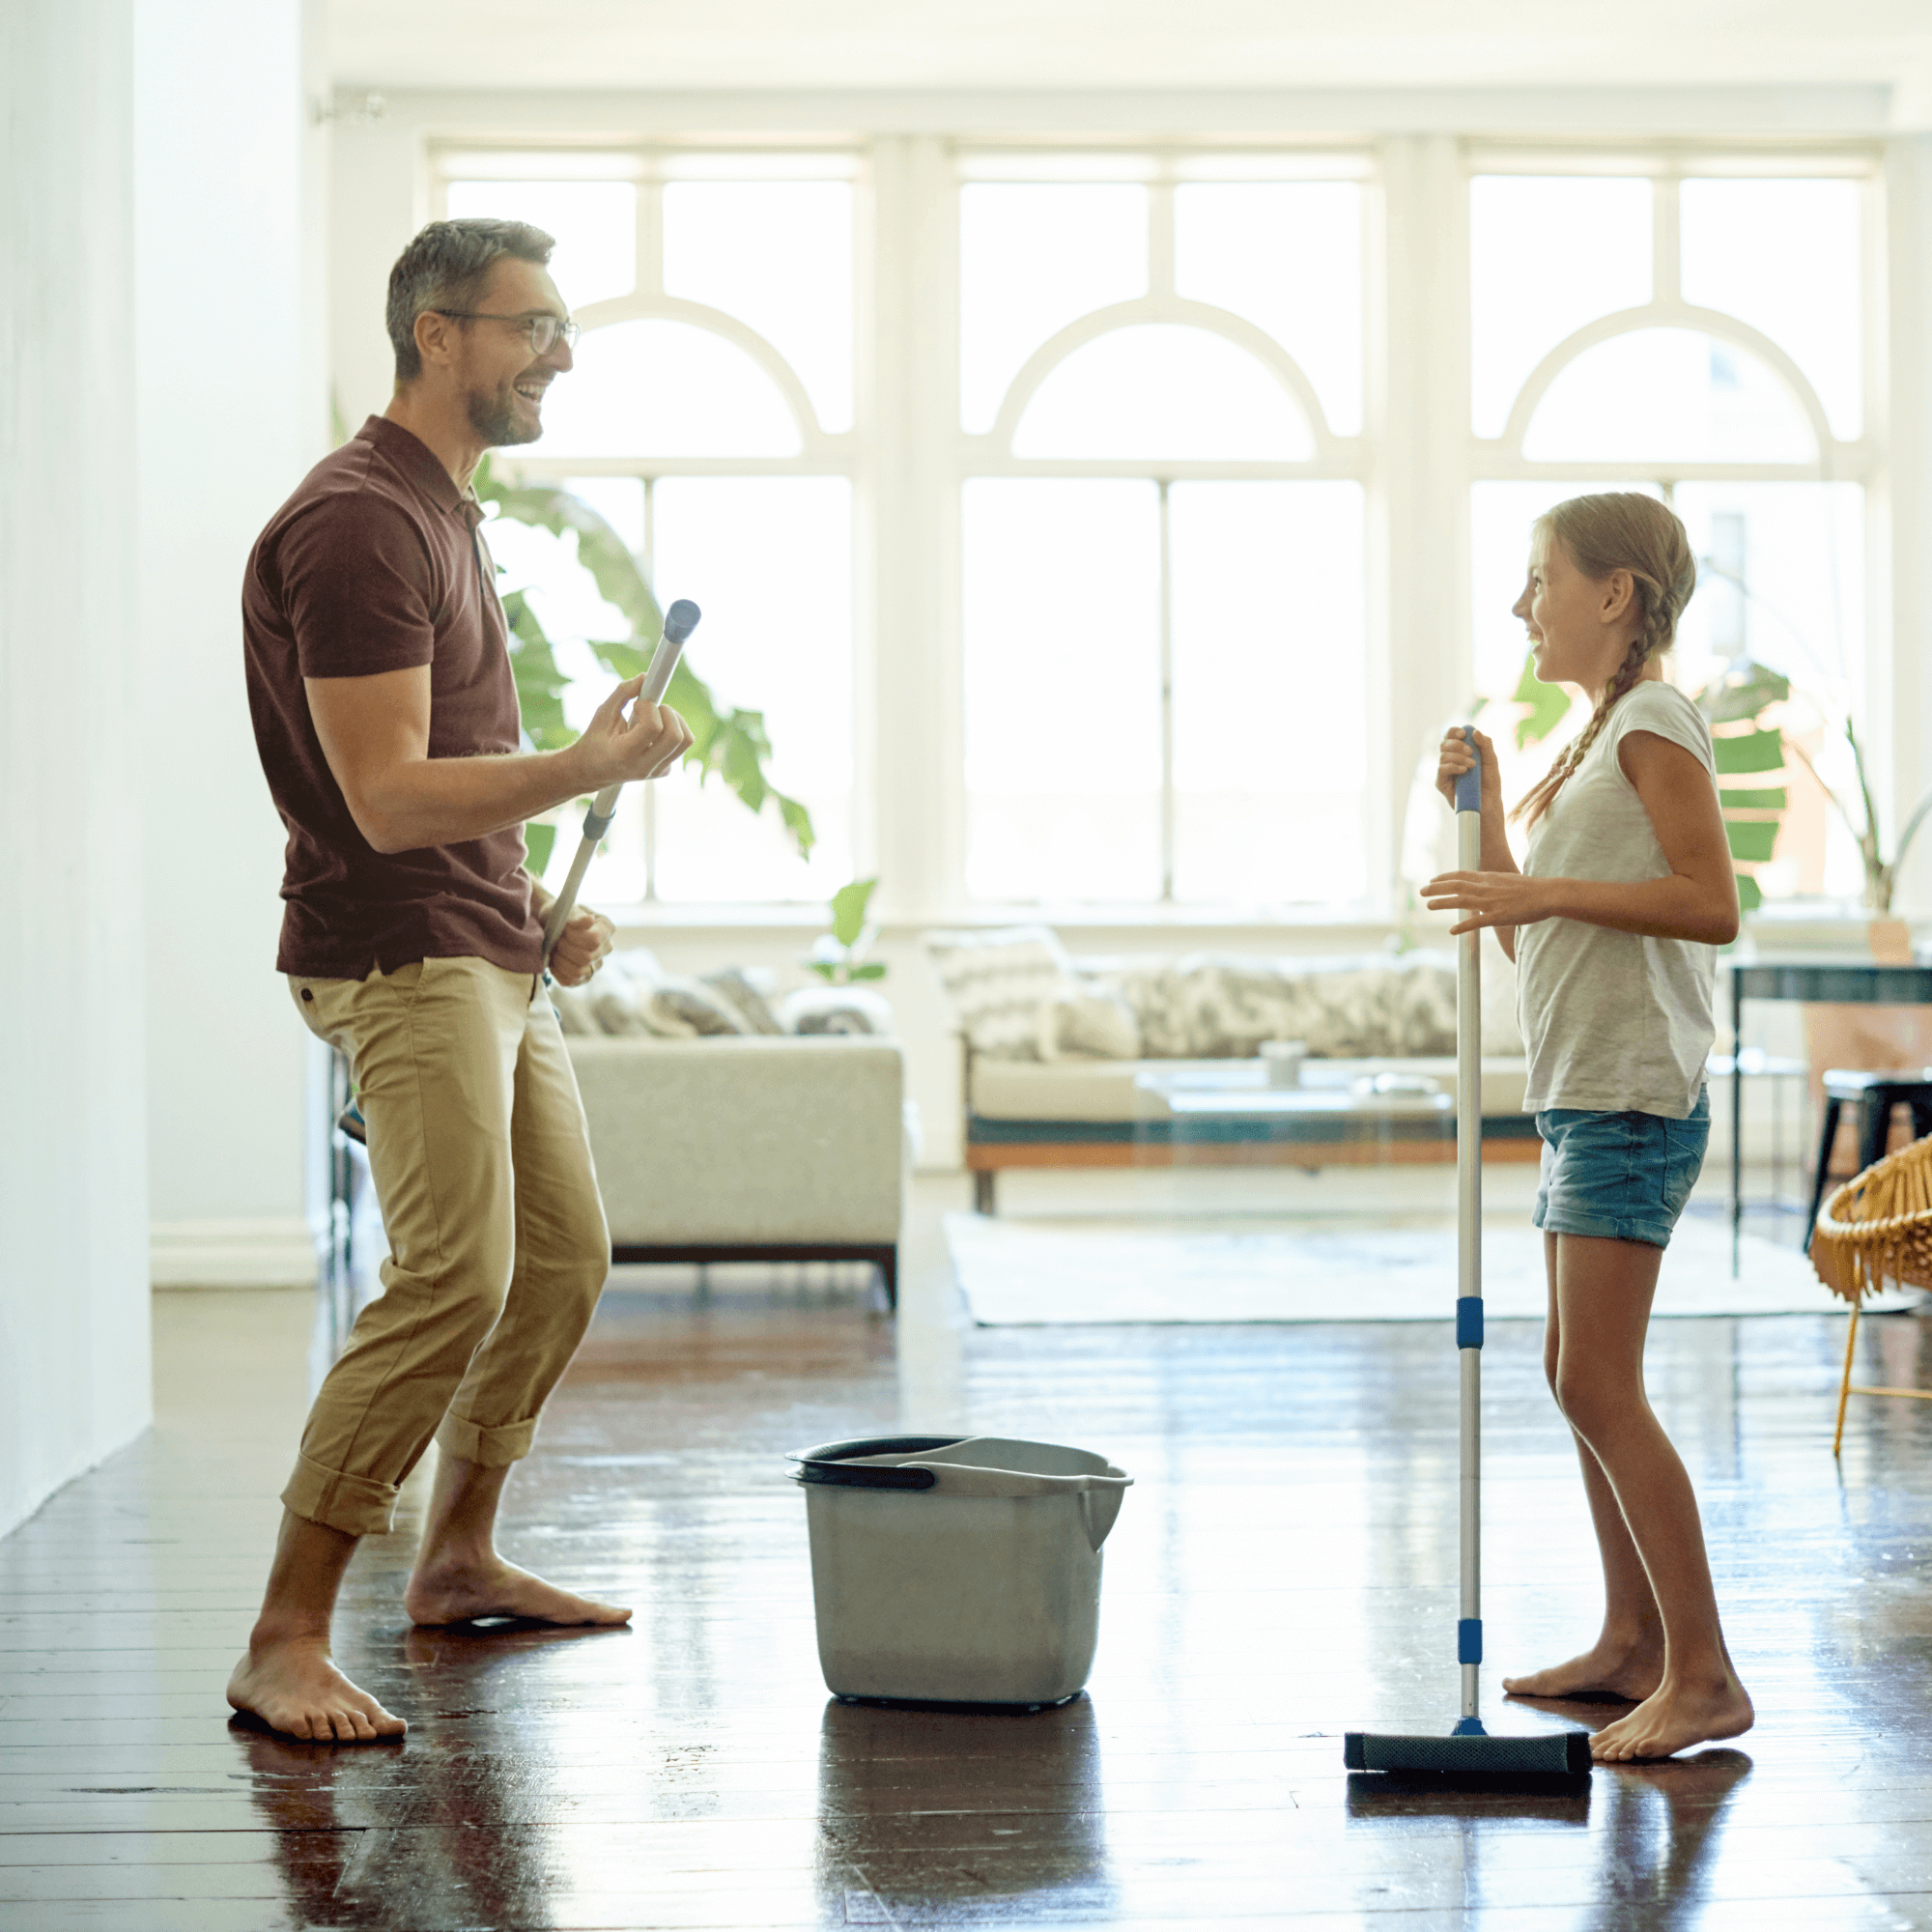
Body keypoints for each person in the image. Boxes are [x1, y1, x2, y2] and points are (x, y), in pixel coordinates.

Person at [228, 218, 694, 1742]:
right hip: (399, 954)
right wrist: (586, 766)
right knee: (452, 1279)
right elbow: (382, 799)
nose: (560, 355)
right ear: (436, 335)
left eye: (560, 328)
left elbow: (450, 790)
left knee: (559, 1260)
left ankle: (456, 1556)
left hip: (478, 937)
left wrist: (532, 909)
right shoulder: (363, 523)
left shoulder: (444, 513)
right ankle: (286, 1633)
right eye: (530, 327)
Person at [1424, 492, 1754, 1763]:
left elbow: (1711, 903)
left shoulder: (1658, 719)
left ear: (1616, 595)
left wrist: (1541, 876)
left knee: (1599, 1379)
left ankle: (1706, 1676)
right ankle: (1631, 1646)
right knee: (1576, 1373)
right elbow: (1535, 928)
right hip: (1580, 1092)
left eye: (1541, 579)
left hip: (1631, 1095)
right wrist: (1498, 810)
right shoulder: (1591, 736)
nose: (1523, 604)